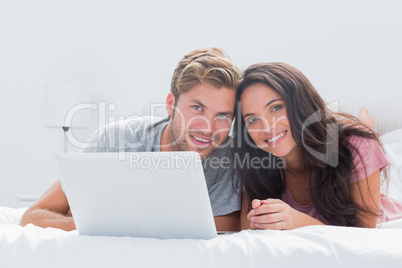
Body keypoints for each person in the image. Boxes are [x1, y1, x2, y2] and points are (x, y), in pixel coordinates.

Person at [20, 47, 243, 232]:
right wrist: (101, 225)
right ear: (170, 104)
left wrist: (128, 222)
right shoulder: (116, 140)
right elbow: (32, 216)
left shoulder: (229, 158)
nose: (208, 128)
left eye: (222, 115)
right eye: (197, 108)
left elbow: (230, 227)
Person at [232, 62, 402, 230]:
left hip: (385, 219)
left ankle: (368, 124)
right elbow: (248, 237)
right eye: (253, 120)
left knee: (363, 134)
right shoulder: (255, 166)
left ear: (300, 104)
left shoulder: (355, 145)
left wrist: (298, 222)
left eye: (276, 107)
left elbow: (363, 238)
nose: (267, 126)